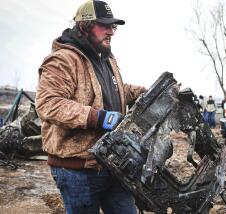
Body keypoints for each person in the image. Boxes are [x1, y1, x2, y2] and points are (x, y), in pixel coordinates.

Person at [35, 1, 146, 213]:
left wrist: (144, 92)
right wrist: (99, 118)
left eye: (113, 26)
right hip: (77, 169)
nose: (111, 32)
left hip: (112, 164)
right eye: (104, 25)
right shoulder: (63, 59)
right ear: (84, 26)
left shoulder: (106, 58)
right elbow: (49, 103)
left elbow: (113, 89)